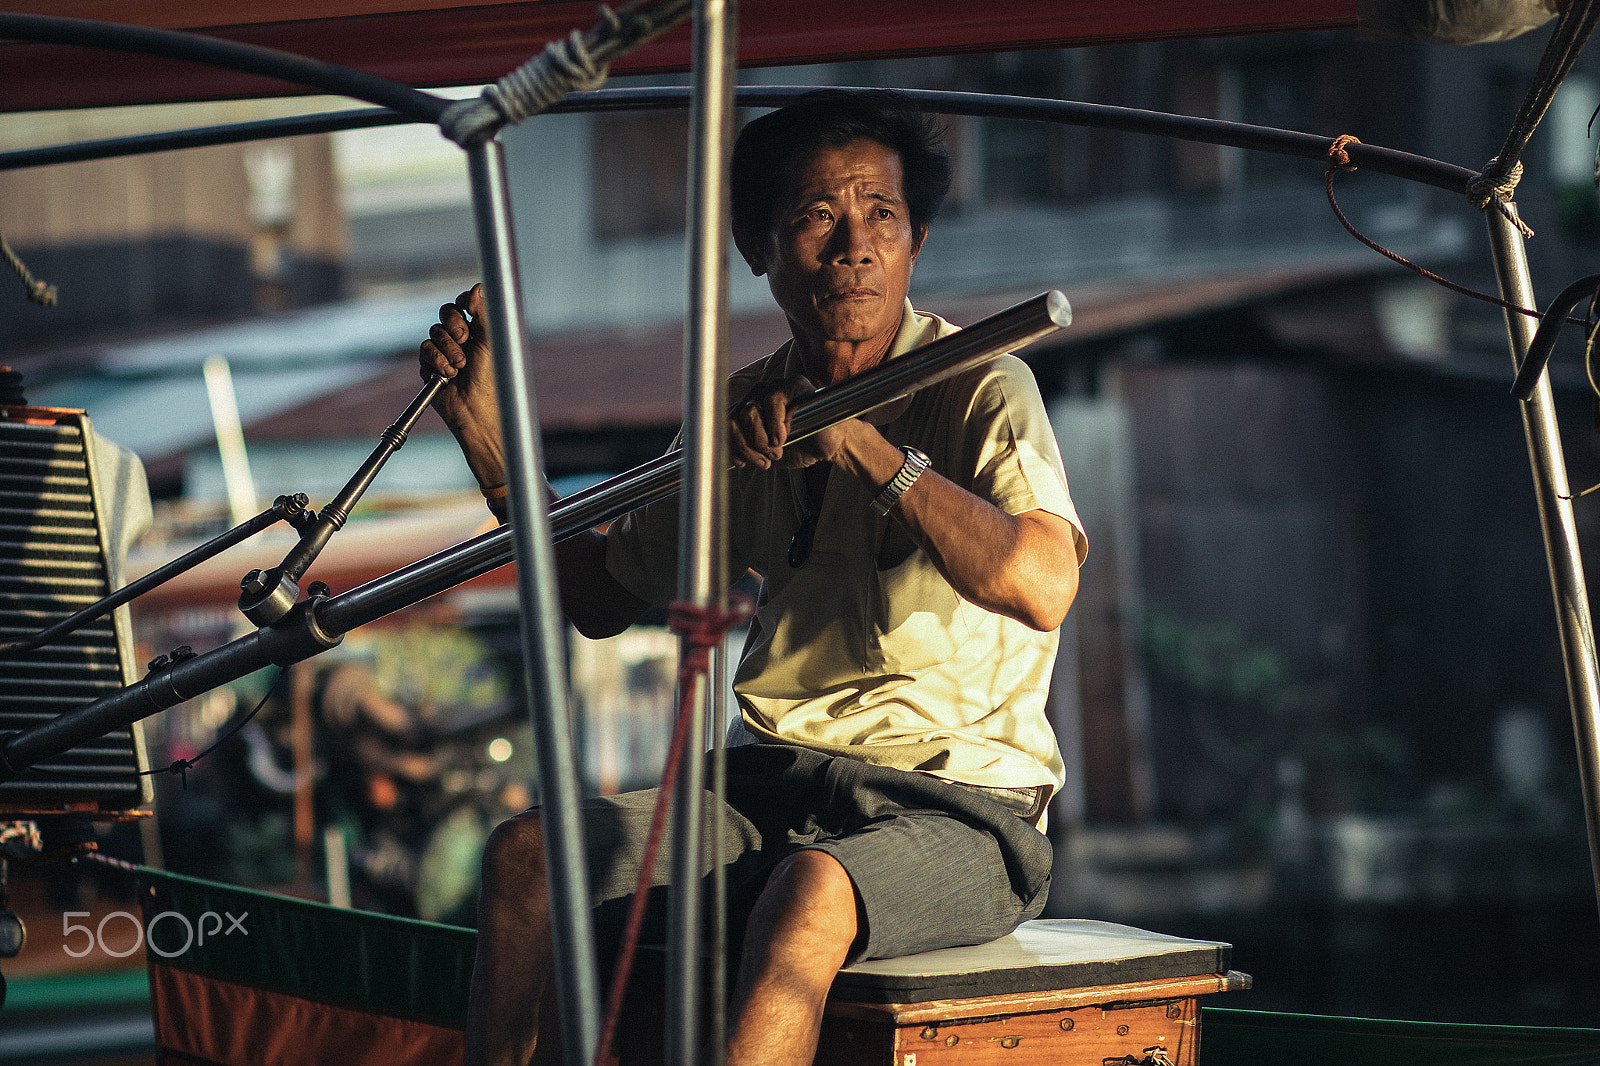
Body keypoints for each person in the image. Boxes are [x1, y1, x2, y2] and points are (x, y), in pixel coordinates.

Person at [420, 89, 1088, 1066]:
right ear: (757, 247)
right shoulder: (737, 413)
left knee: (810, 892)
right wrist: (486, 441)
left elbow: (1041, 585)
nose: (854, 245)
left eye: (882, 216)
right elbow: (603, 599)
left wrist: (868, 451)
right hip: (765, 781)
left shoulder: (984, 385)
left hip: (958, 803)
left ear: (916, 241)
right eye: (818, 216)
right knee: (528, 858)